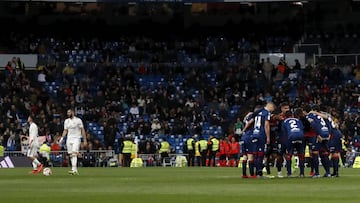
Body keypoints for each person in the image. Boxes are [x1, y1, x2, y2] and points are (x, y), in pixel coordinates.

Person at [243, 102, 276, 177]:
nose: (272, 111)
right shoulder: (266, 112)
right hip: (261, 135)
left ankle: (254, 173)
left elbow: (250, 121)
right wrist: (268, 137)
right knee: (260, 154)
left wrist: (244, 130)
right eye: (272, 109)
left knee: (255, 154)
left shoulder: (258, 113)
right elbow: (266, 125)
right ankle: (259, 173)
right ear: (270, 106)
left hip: (254, 134)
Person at [303, 105, 331, 178]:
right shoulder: (320, 115)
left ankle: (317, 173)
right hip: (326, 133)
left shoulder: (309, 116)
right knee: (324, 153)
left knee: (315, 153)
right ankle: (328, 173)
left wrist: (318, 134)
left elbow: (313, 124)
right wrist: (329, 133)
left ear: (304, 111)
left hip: (320, 134)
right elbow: (328, 121)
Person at [59, 109, 87, 175]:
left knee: (74, 152)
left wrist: (85, 140)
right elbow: (65, 130)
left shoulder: (78, 120)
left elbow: (82, 130)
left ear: (73, 112)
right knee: (71, 154)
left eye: (69, 112)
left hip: (76, 138)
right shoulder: (66, 121)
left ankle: (74, 169)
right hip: (69, 138)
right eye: (67, 112)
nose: (68, 113)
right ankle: (74, 169)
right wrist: (62, 138)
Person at [282, 109, 305, 177]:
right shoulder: (298, 120)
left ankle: (289, 173)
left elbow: (284, 132)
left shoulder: (284, 121)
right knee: (301, 155)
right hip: (300, 135)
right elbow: (302, 128)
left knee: (289, 155)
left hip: (291, 136)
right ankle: (302, 173)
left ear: (285, 116)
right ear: (292, 115)